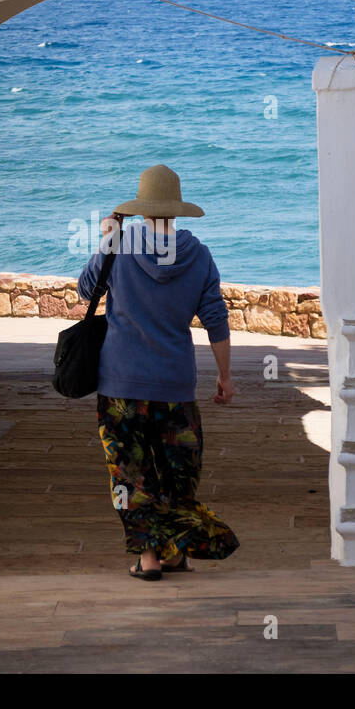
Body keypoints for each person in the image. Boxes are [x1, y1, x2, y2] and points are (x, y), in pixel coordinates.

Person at [77, 164, 239, 580]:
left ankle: (150, 558)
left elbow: (85, 289)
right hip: (176, 387)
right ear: (176, 210)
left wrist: (107, 238)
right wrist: (225, 376)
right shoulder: (198, 254)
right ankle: (174, 551)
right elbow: (216, 320)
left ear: (141, 208)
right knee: (176, 475)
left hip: (120, 386)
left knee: (128, 476)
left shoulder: (119, 246)